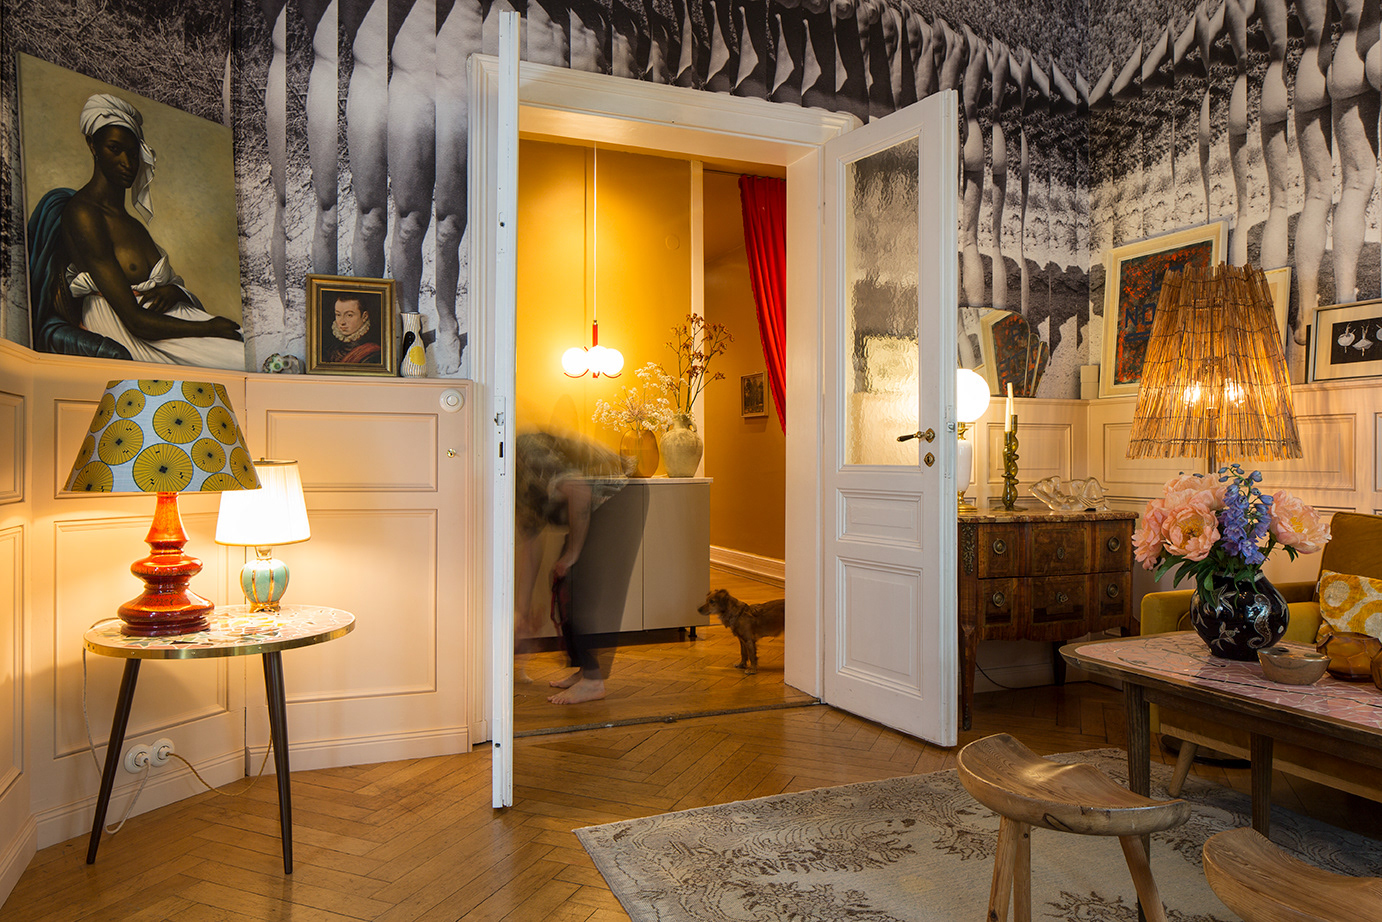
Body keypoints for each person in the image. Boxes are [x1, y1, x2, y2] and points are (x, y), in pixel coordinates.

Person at [28, 93, 245, 368]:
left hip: (168, 323)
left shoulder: (132, 225)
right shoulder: (84, 214)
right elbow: (135, 321)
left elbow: (165, 288)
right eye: (114, 149)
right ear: (92, 145)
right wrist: (210, 328)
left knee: (246, 348)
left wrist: (175, 293)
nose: (128, 163)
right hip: (131, 333)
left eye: (132, 153)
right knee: (239, 358)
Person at [515, 431, 647, 705]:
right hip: (595, 505)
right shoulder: (517, 488)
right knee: (564, 581)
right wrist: (522, 613)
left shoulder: (527, 453)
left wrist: (573, 553)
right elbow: (531, 549)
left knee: (579, 585)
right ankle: (584, 670)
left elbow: (579, 490)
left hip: (621, 493)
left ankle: (593, 681)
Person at [324, 294, 382, 363]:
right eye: (338, 314)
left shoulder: (373, 353)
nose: (342, 322)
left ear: (364, 317)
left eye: (349, 315)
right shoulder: (330, 350)